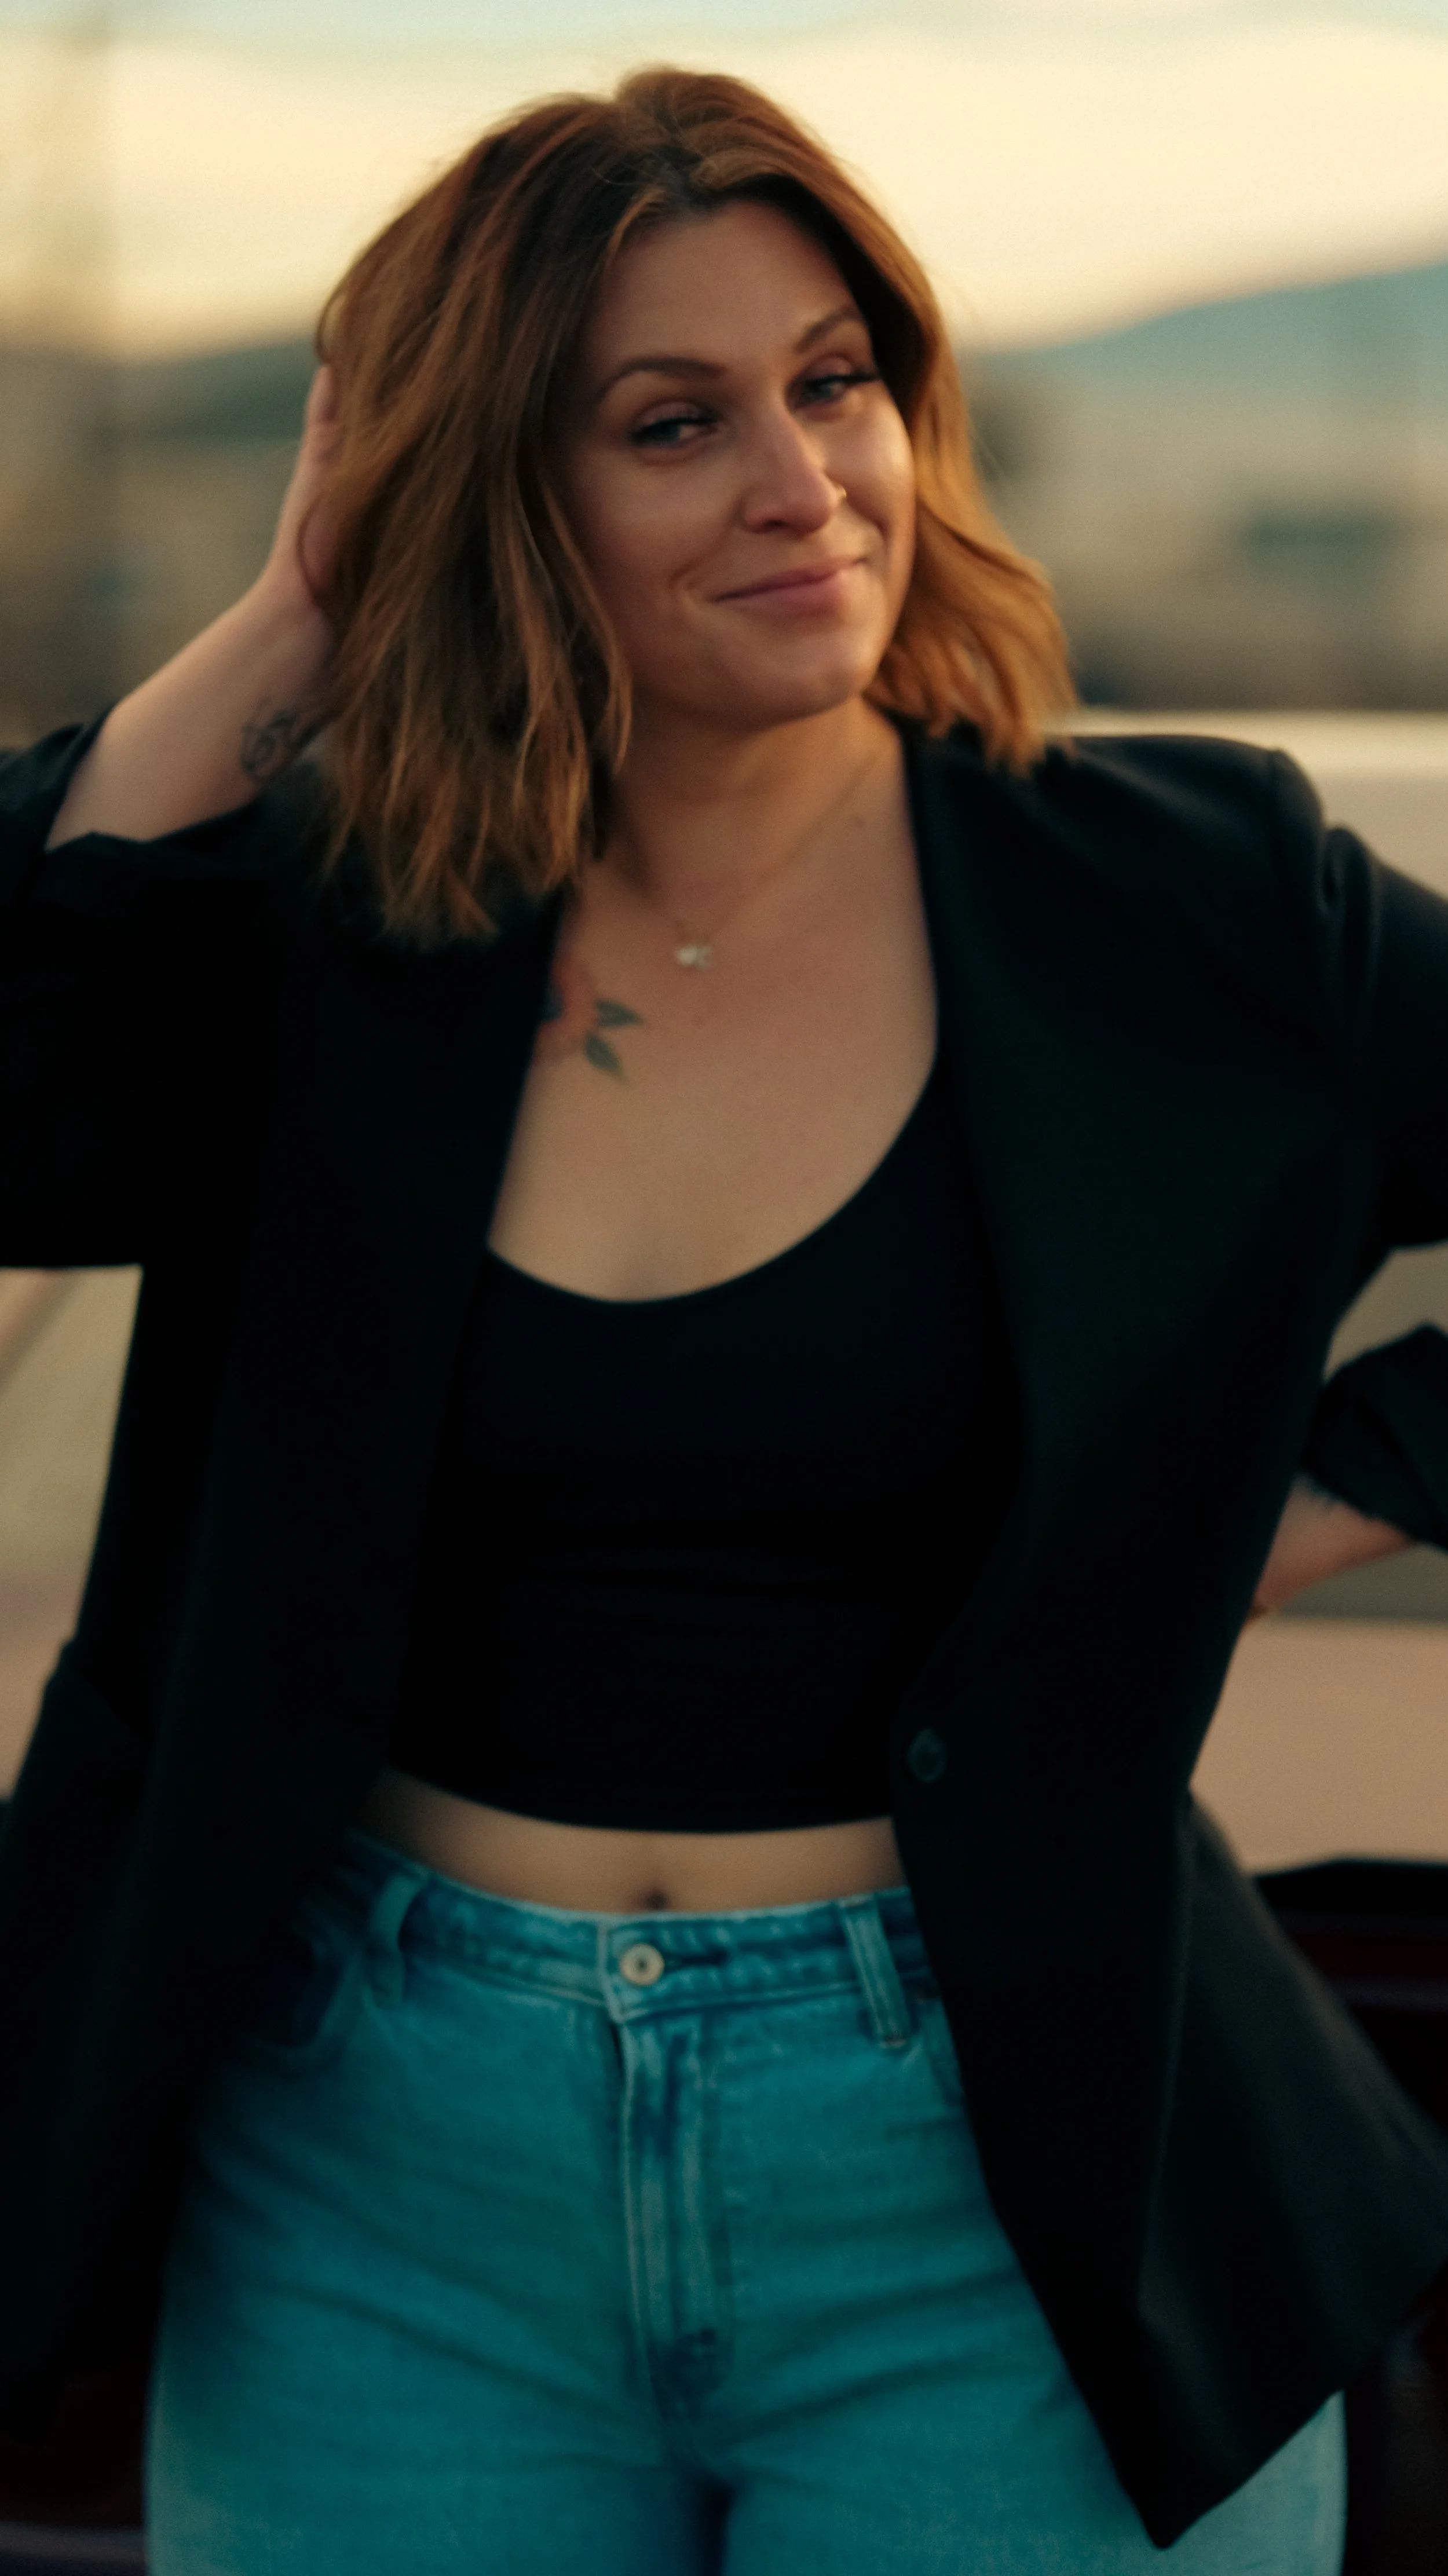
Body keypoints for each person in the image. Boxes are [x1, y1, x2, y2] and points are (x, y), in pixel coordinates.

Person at [1, 63, 1447, 2576]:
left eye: (833, 382)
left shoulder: (1193, 902)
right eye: (672, 423)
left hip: (992, 2185)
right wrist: (297, 610)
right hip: (375, 2190)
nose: (803, 482)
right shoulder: (329, 927)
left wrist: (1293, 1514)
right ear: (492, 492)